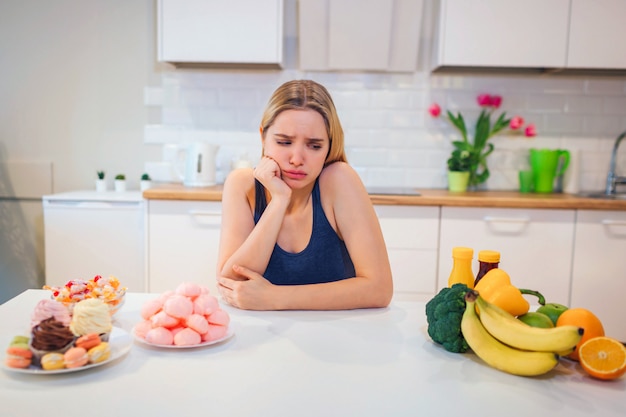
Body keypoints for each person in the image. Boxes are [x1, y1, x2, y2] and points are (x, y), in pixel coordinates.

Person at [216, 79, 393, 310]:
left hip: (339, 334)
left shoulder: (339, 180)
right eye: (284, 142)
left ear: (330, 145)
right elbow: (230, 283)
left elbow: (379, 289)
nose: (297, 159)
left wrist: (275, 298)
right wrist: (279, 201)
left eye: (314, 146)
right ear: (263, 137)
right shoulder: (242, 185)